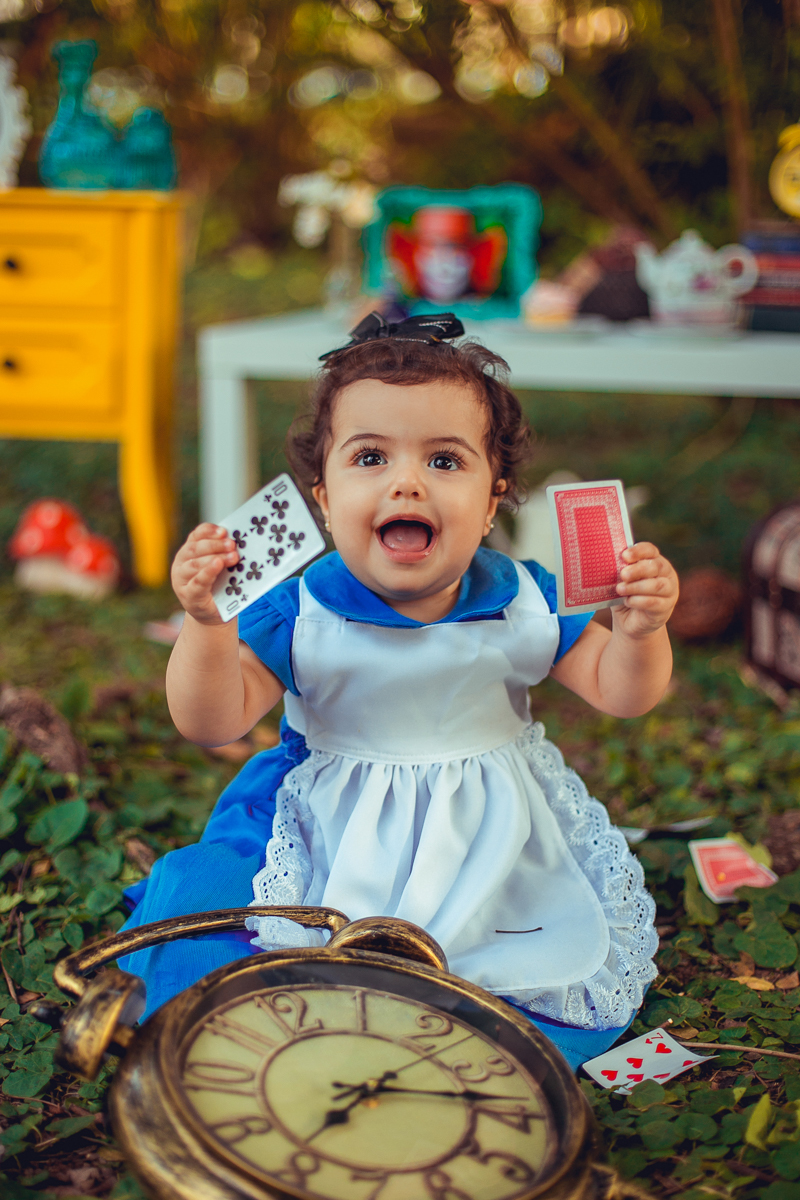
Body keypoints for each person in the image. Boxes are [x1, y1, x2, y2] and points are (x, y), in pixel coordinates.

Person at [120, 313, 678, 1070]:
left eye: (445, 461)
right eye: (371, 456)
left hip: (485, 830)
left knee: (511, 970)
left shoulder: (523, 600)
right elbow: (209, 719)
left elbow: (622, 693)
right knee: (215, 928)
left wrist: (640, 631)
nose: (407, 481)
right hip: (324, 823)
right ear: (323, 496)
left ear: (492, 503)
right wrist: (208, 625)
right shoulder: (300, 609)